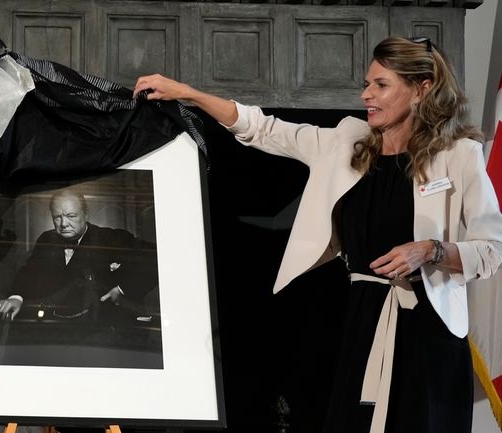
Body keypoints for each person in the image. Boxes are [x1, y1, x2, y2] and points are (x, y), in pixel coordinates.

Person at [133, 36, 502, 433]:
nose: (366, 95)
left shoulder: (458, 154)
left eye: (381, 85)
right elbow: (262, 128)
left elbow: (492, 249)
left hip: (430, 330)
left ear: (421, 89)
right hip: (363, 319)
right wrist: (186, 93)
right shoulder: (347, 142)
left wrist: (430, 250)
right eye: (366, 84)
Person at [0, 188, 158, 324]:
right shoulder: (47, 239)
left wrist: (123, 289)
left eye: (71, 216)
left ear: (86, 214)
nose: (63, 224)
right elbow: (29, 272)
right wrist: (16, 297)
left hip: (103, 331)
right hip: (55, 329)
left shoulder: (112, 238)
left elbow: (155, 259)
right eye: (57, 217)